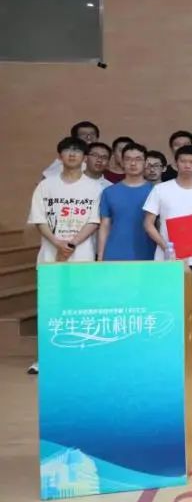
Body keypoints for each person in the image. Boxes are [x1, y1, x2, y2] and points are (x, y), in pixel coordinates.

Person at [142, 145, 192, 371]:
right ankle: (163, 351)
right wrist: (166, 247)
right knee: (164, 305)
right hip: (166, 261)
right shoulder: (161, 190)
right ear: (175, 163)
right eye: (183, 161)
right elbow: (148, 224)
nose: (187, 165)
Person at [27, 137, 104, 374]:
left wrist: (71, 244)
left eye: (77, 151)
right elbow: (39, 219)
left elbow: (94, 221)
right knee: (49, 307)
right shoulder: (45, 186)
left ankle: (80, 355)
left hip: (81, 256)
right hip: (50, 257)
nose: (72, 154)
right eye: (67, 151)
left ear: (84, 157)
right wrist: (57, 243)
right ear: (59, 156)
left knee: (81, 306)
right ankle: (45, 358)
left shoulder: (95, 188)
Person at [97, 142, 154, 261]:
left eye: (138, 159)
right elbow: (105, 225)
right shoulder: (109, 192)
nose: (133, 163)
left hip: (148, 254)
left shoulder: (156, 191)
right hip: (114, 254)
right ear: (122, 162)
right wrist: (100, 256)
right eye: (128, 159)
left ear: (146, 163)